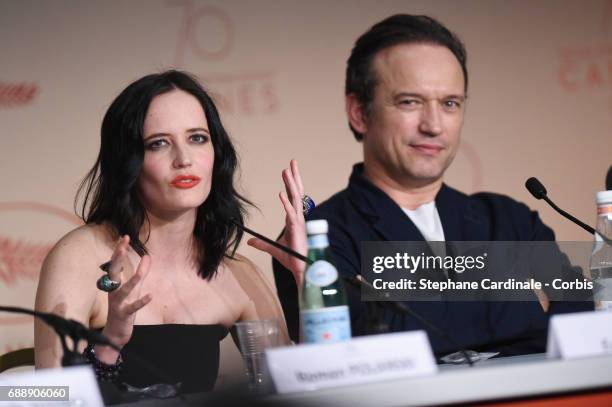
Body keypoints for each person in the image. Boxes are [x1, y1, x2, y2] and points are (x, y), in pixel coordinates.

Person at [273, 14, 593, 357]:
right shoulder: (318, 240)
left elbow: (583, 322)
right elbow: (360, 353)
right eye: (410, 101)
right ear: (359, 112)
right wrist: (523, 305)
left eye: (450, 103)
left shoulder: (510, 220)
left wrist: (406, 317)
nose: (434, 125)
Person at [34, 70, 307, 393]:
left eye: (197, 138)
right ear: (127, 161)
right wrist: (110, 343)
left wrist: (308, 278)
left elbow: (293, 389)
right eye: (159, 143)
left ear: (216, 155)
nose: (184, 159)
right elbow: (48, 397)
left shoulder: (236, 274)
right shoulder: (79, 257)